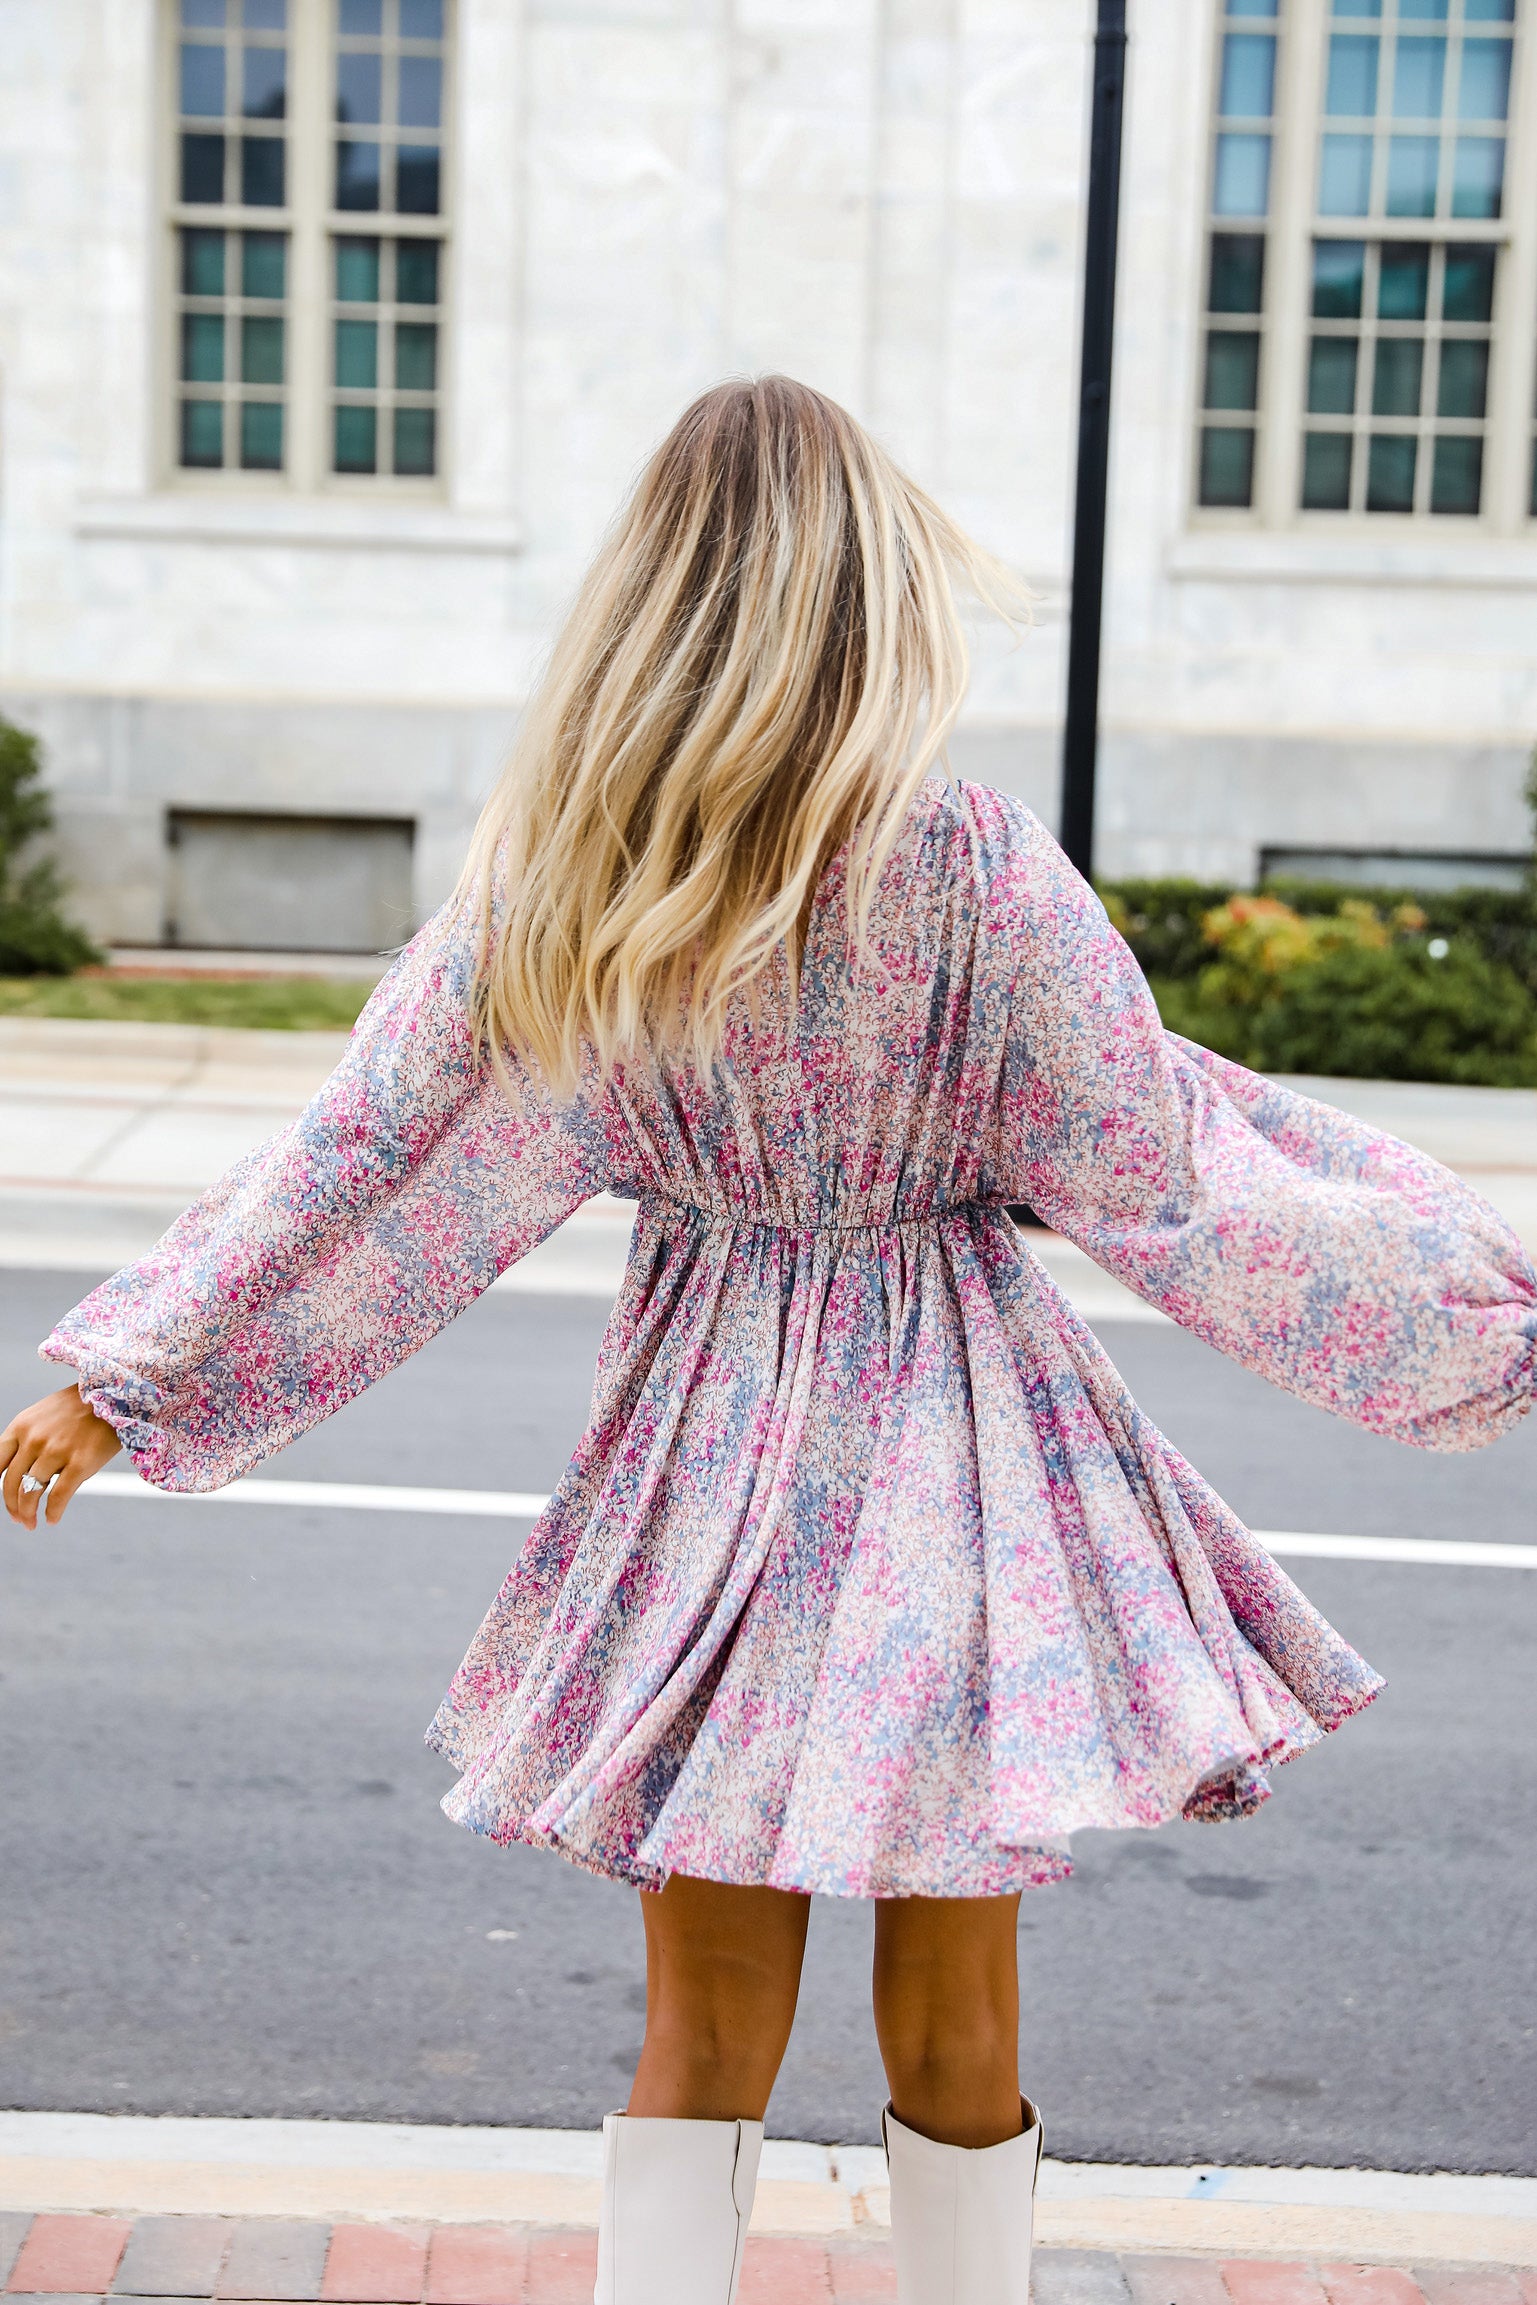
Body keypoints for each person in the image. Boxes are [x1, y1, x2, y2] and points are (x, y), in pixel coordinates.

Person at [4, 377, 1534, 2305]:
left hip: (703, 1464)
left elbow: (362, 1166)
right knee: (958, 2032)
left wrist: (132, 1373)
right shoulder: (972, 866)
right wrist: (1479, 1311)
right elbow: (1175, 1164)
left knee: (700, 2036)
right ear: (870, 593)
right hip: (951, 1463)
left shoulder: (572, 886)